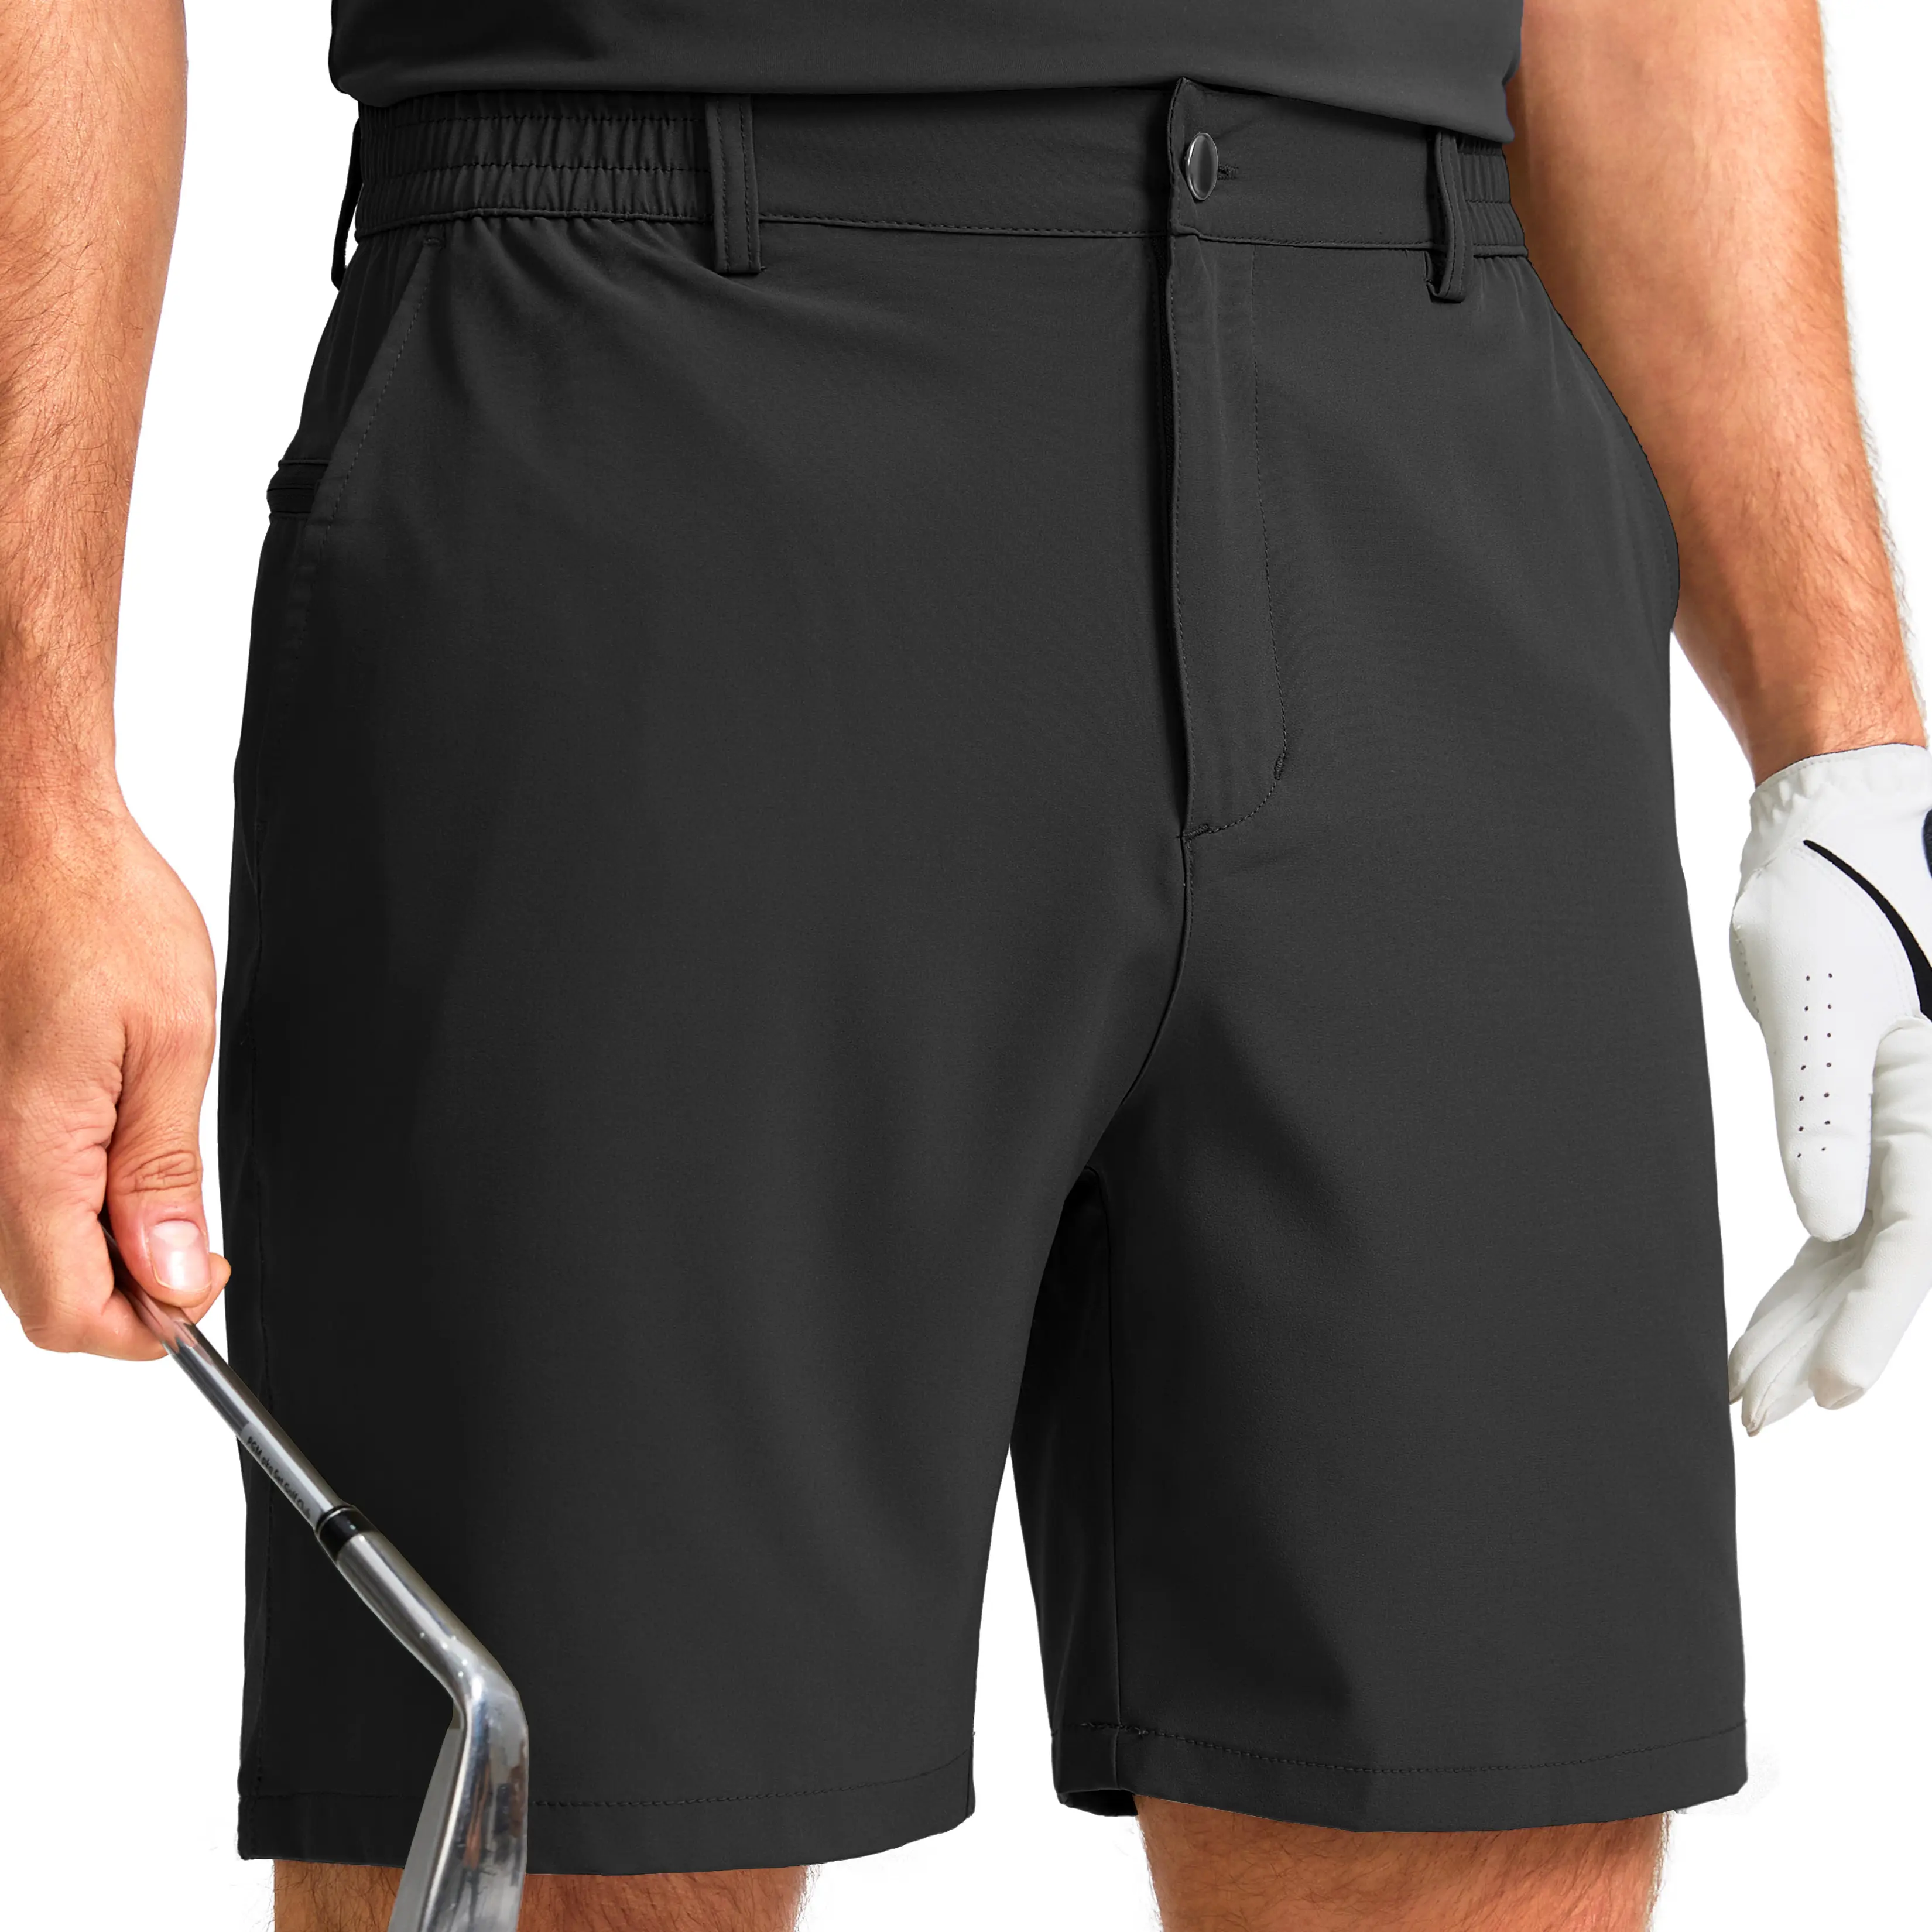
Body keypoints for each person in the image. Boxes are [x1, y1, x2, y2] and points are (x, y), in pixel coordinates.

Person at [0, 0, 1921, 1926]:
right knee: (578, 1843)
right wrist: (34, 794)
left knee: (1483, 1825)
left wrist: (1847, 757)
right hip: (645, 387)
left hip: (1423, 423)